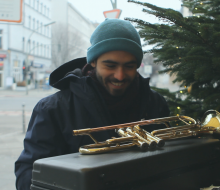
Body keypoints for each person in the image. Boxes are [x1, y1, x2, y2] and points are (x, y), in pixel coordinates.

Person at [14, 18, 170, 190]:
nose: (119, 75)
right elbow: (28, 174)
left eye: (129, 66)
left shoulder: (155, 103)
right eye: (110, 65)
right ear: (93, 62)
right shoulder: (53, 108)